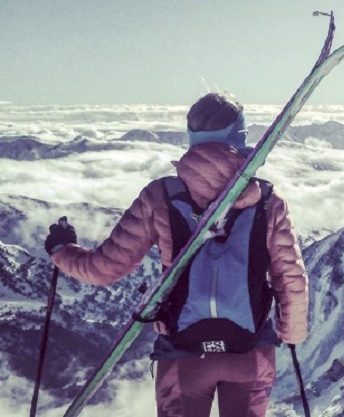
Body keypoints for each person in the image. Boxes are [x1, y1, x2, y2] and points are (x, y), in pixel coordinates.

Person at [44, 93, 309, 417]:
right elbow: (290, 278)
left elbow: (104, 269)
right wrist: (292, 334)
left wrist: (62, 251)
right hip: (249, 353)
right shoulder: (267, 199)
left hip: (183, 354)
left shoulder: (161, 195)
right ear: (240, 138)